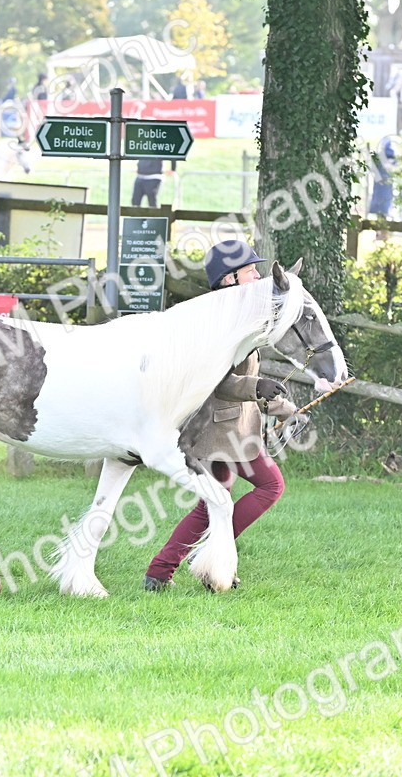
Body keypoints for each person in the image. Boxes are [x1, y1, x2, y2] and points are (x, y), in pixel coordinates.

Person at [143, 241, 301, 592]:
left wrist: (280, 407)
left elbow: (249, 387)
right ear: (229, 279)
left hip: (228, 428)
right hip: (220, 430)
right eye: (250, 271)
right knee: (270, 486)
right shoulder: (219, 322)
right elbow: (221, 383)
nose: (258, 276)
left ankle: (162, 570)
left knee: (210, 505)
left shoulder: (235, 316)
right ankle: (211, 556)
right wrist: (259, 386)